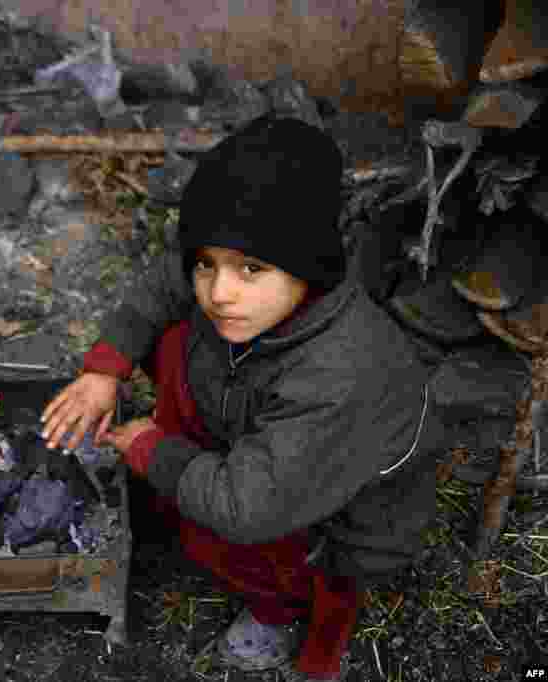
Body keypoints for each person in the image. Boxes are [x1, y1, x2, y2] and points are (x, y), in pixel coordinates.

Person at [40, 117, 446, 681]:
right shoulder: (250, 295)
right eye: (207, 262)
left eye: (251, 269)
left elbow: (249, 508)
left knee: (244, 539)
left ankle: (282, 613)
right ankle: (183, 491)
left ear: (310, 267)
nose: (220, 290)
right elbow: (165, 284)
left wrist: (153, 450)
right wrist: (105, 369)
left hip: (333, 517)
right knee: (178, 334)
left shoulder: (339, 374)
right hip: (256, 425)